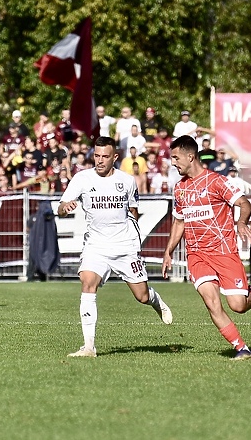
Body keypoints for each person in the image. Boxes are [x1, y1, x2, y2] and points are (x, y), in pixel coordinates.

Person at [58, 136, 172, 358]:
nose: (100, 161)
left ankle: (155, 300)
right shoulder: (82, 179)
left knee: (141, 296)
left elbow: (133, 211)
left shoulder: (127, 181)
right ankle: (89, 347)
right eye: (97, 156)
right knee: (88, 282)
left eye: (105, 156)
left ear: (115, 158)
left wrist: (134, 240)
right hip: (96, 245)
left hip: (124, 245)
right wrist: (66, 207)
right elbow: (62, 207)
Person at [161, 135, 251, 361]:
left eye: (176, 157)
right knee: (211, 302)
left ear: (191, 157)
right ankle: (241, 348)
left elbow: (244, 204)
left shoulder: (216, 181)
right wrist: (169, 251)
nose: (173, 162)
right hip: (197, 255)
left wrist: (241, 221)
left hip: (224, 252)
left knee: (238, 305)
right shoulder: (179, 189)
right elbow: (179, 222)